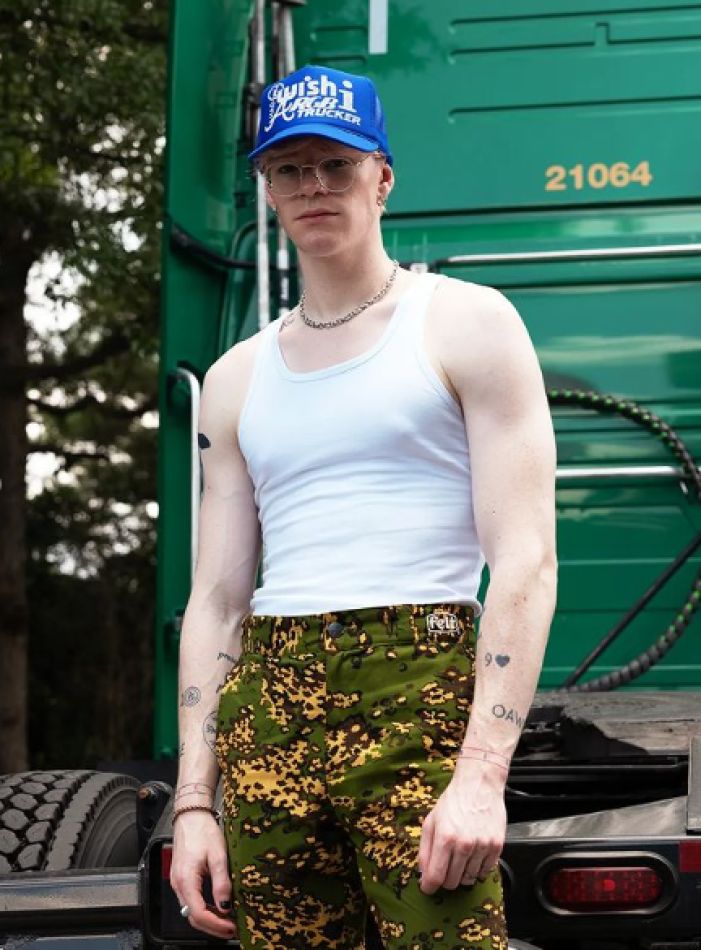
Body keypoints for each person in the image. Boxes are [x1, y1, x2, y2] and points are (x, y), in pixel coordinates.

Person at [169, 64, 557, 949]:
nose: (312, 185)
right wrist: (194, 803)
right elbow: (218, 601)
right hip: (270, 704)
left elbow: (526, 559)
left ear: (381, 178)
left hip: (417, 688)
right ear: (268, 191)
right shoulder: (233, 378)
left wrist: (480, 775)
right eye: (288, 169)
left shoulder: (465, 322)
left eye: (335, 165)